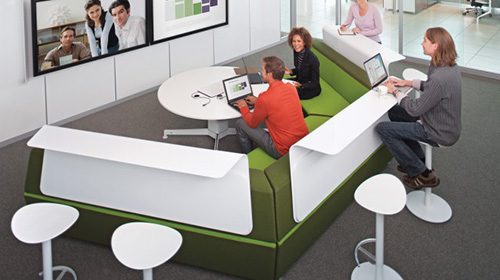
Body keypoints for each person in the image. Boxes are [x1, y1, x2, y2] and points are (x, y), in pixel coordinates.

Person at [376, 27, 461, 190]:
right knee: (394, 112)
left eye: (425, 40)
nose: (422, 43)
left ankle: (421, 173)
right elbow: (433, 89)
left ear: (435, 46)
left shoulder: (439, 77)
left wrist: (394, 91)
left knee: (383, 129)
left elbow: (415, 109)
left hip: (438, 132)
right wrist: (408, 83)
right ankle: (417, 159)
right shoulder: (447, 67)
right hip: (441, 122)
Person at [234, 56, 309, 159]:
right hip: (301, 142)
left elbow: (252, 123)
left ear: (269, 75)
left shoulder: (264, 98)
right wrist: (257, 102)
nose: (261, 71)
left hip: (282, 150)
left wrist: (243, 107)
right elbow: (278, 103)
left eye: (263, 69)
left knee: (240, 123)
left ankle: (248, 159)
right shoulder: (291, 88)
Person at [284, 27, 321, 100]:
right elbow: (300, 69)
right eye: (294, 41)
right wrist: (291, 71)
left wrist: (301, 85)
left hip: (309, 88)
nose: (296, 44)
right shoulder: (296, 52)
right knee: (280, 84)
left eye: (299, 41)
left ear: (304, 42)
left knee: (286, 93)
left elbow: (315, 83)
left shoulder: (313, 59)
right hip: (299, 81)